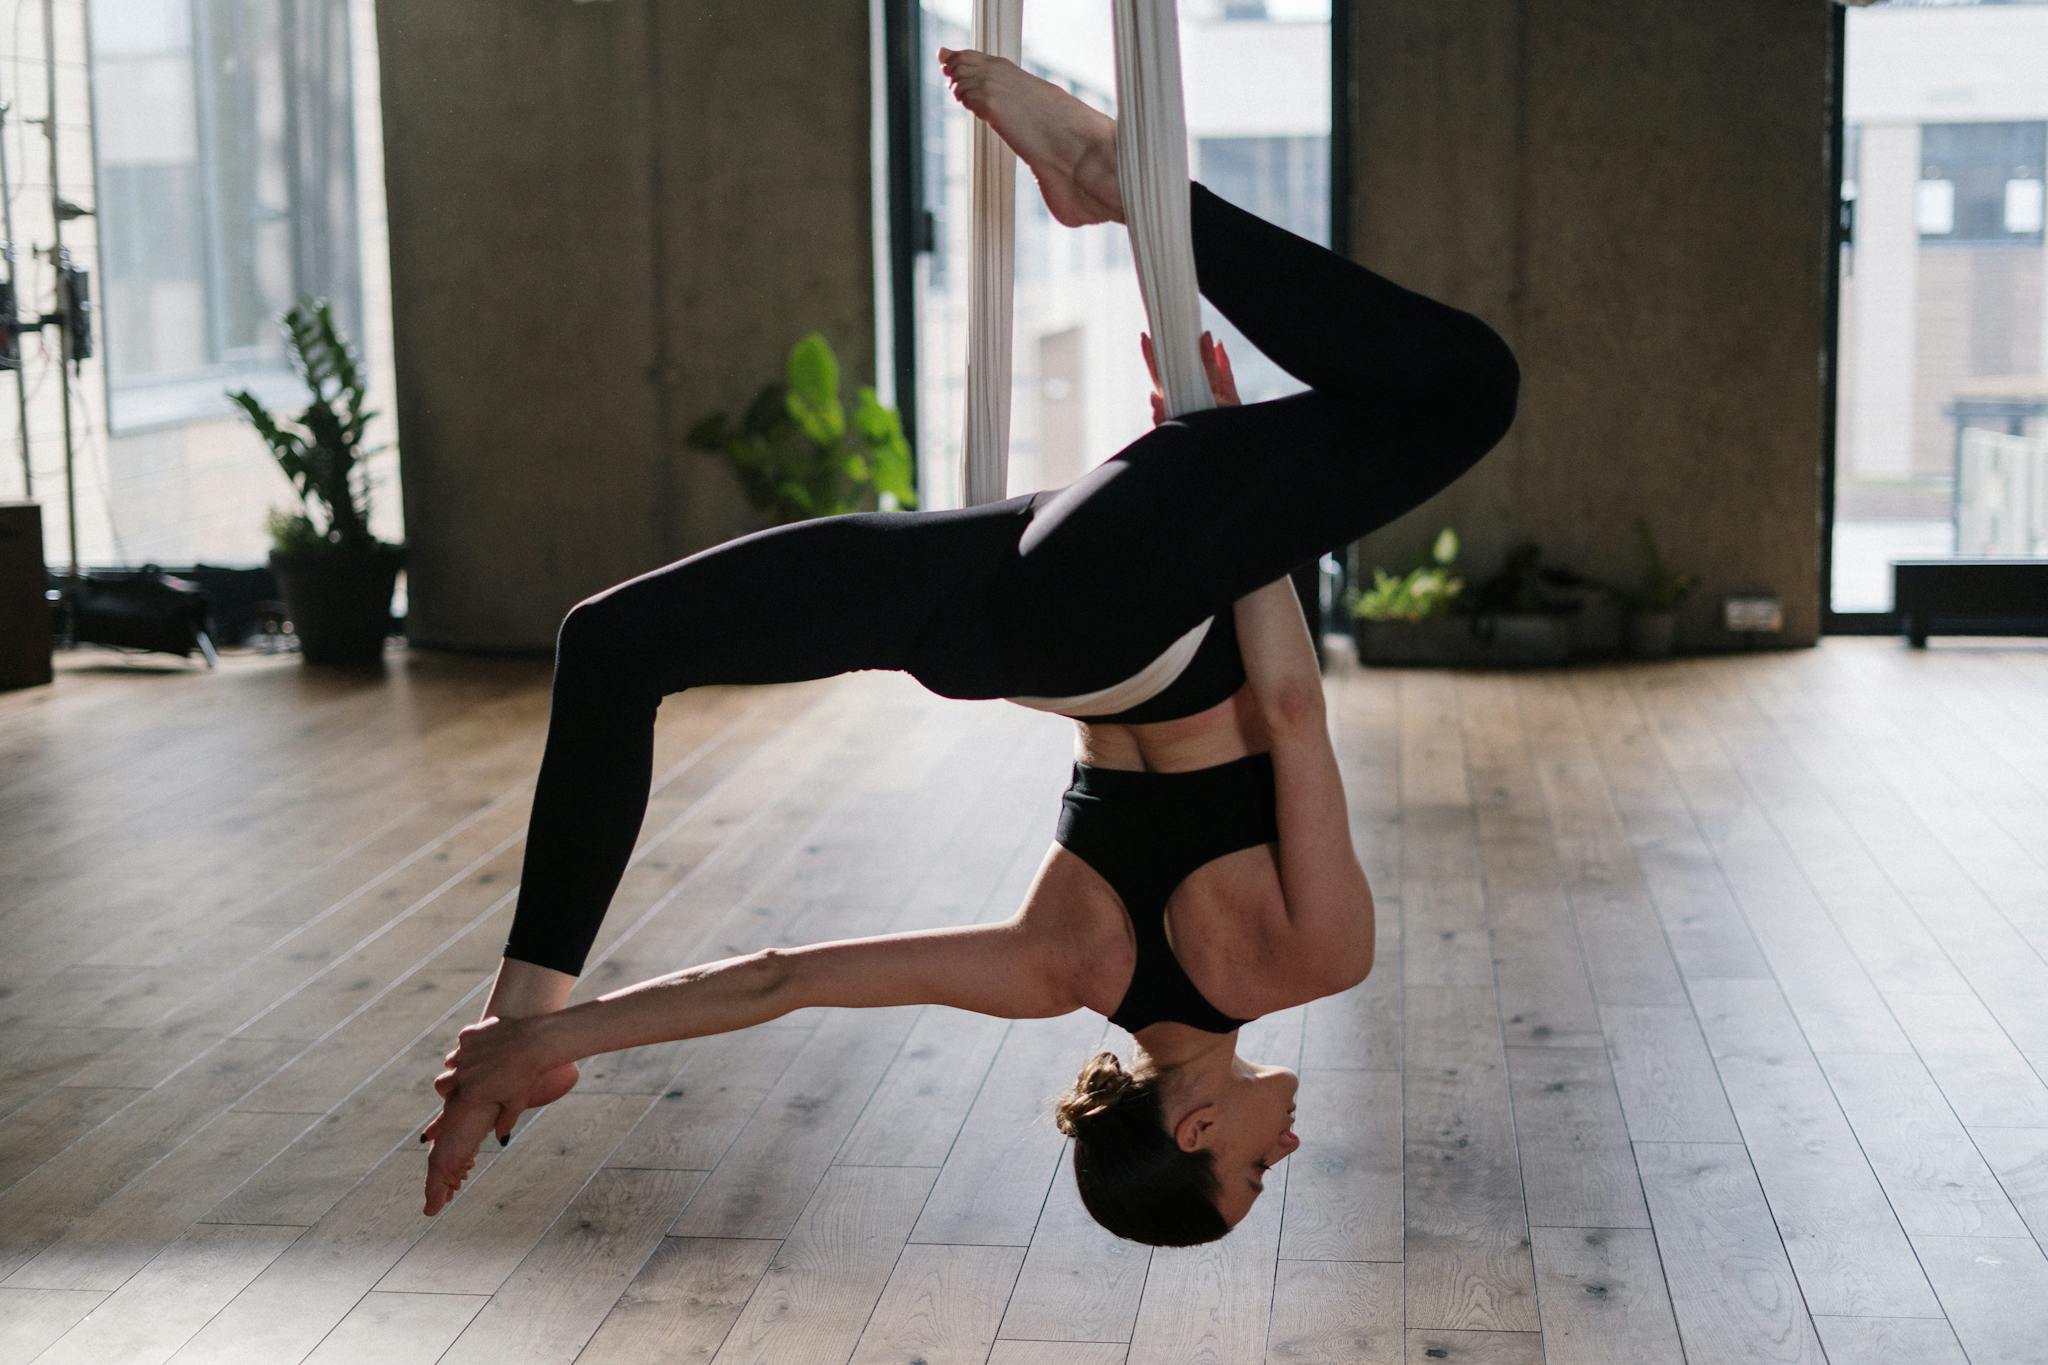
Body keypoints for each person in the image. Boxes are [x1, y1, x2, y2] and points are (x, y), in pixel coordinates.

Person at [420, 45, 1518, 1246]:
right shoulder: (1052, 973)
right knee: (613, 642)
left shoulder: (1314, 960)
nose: (1285, 1154)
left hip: (1126, 605)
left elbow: (1293, 711)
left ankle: (1110, 173)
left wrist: (1243, 490)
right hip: (999, 640)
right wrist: (549, 1038)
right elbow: (783, 978)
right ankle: (517, 1010)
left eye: (1258, 1175)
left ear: (1195, 1134)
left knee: (1468, 388)